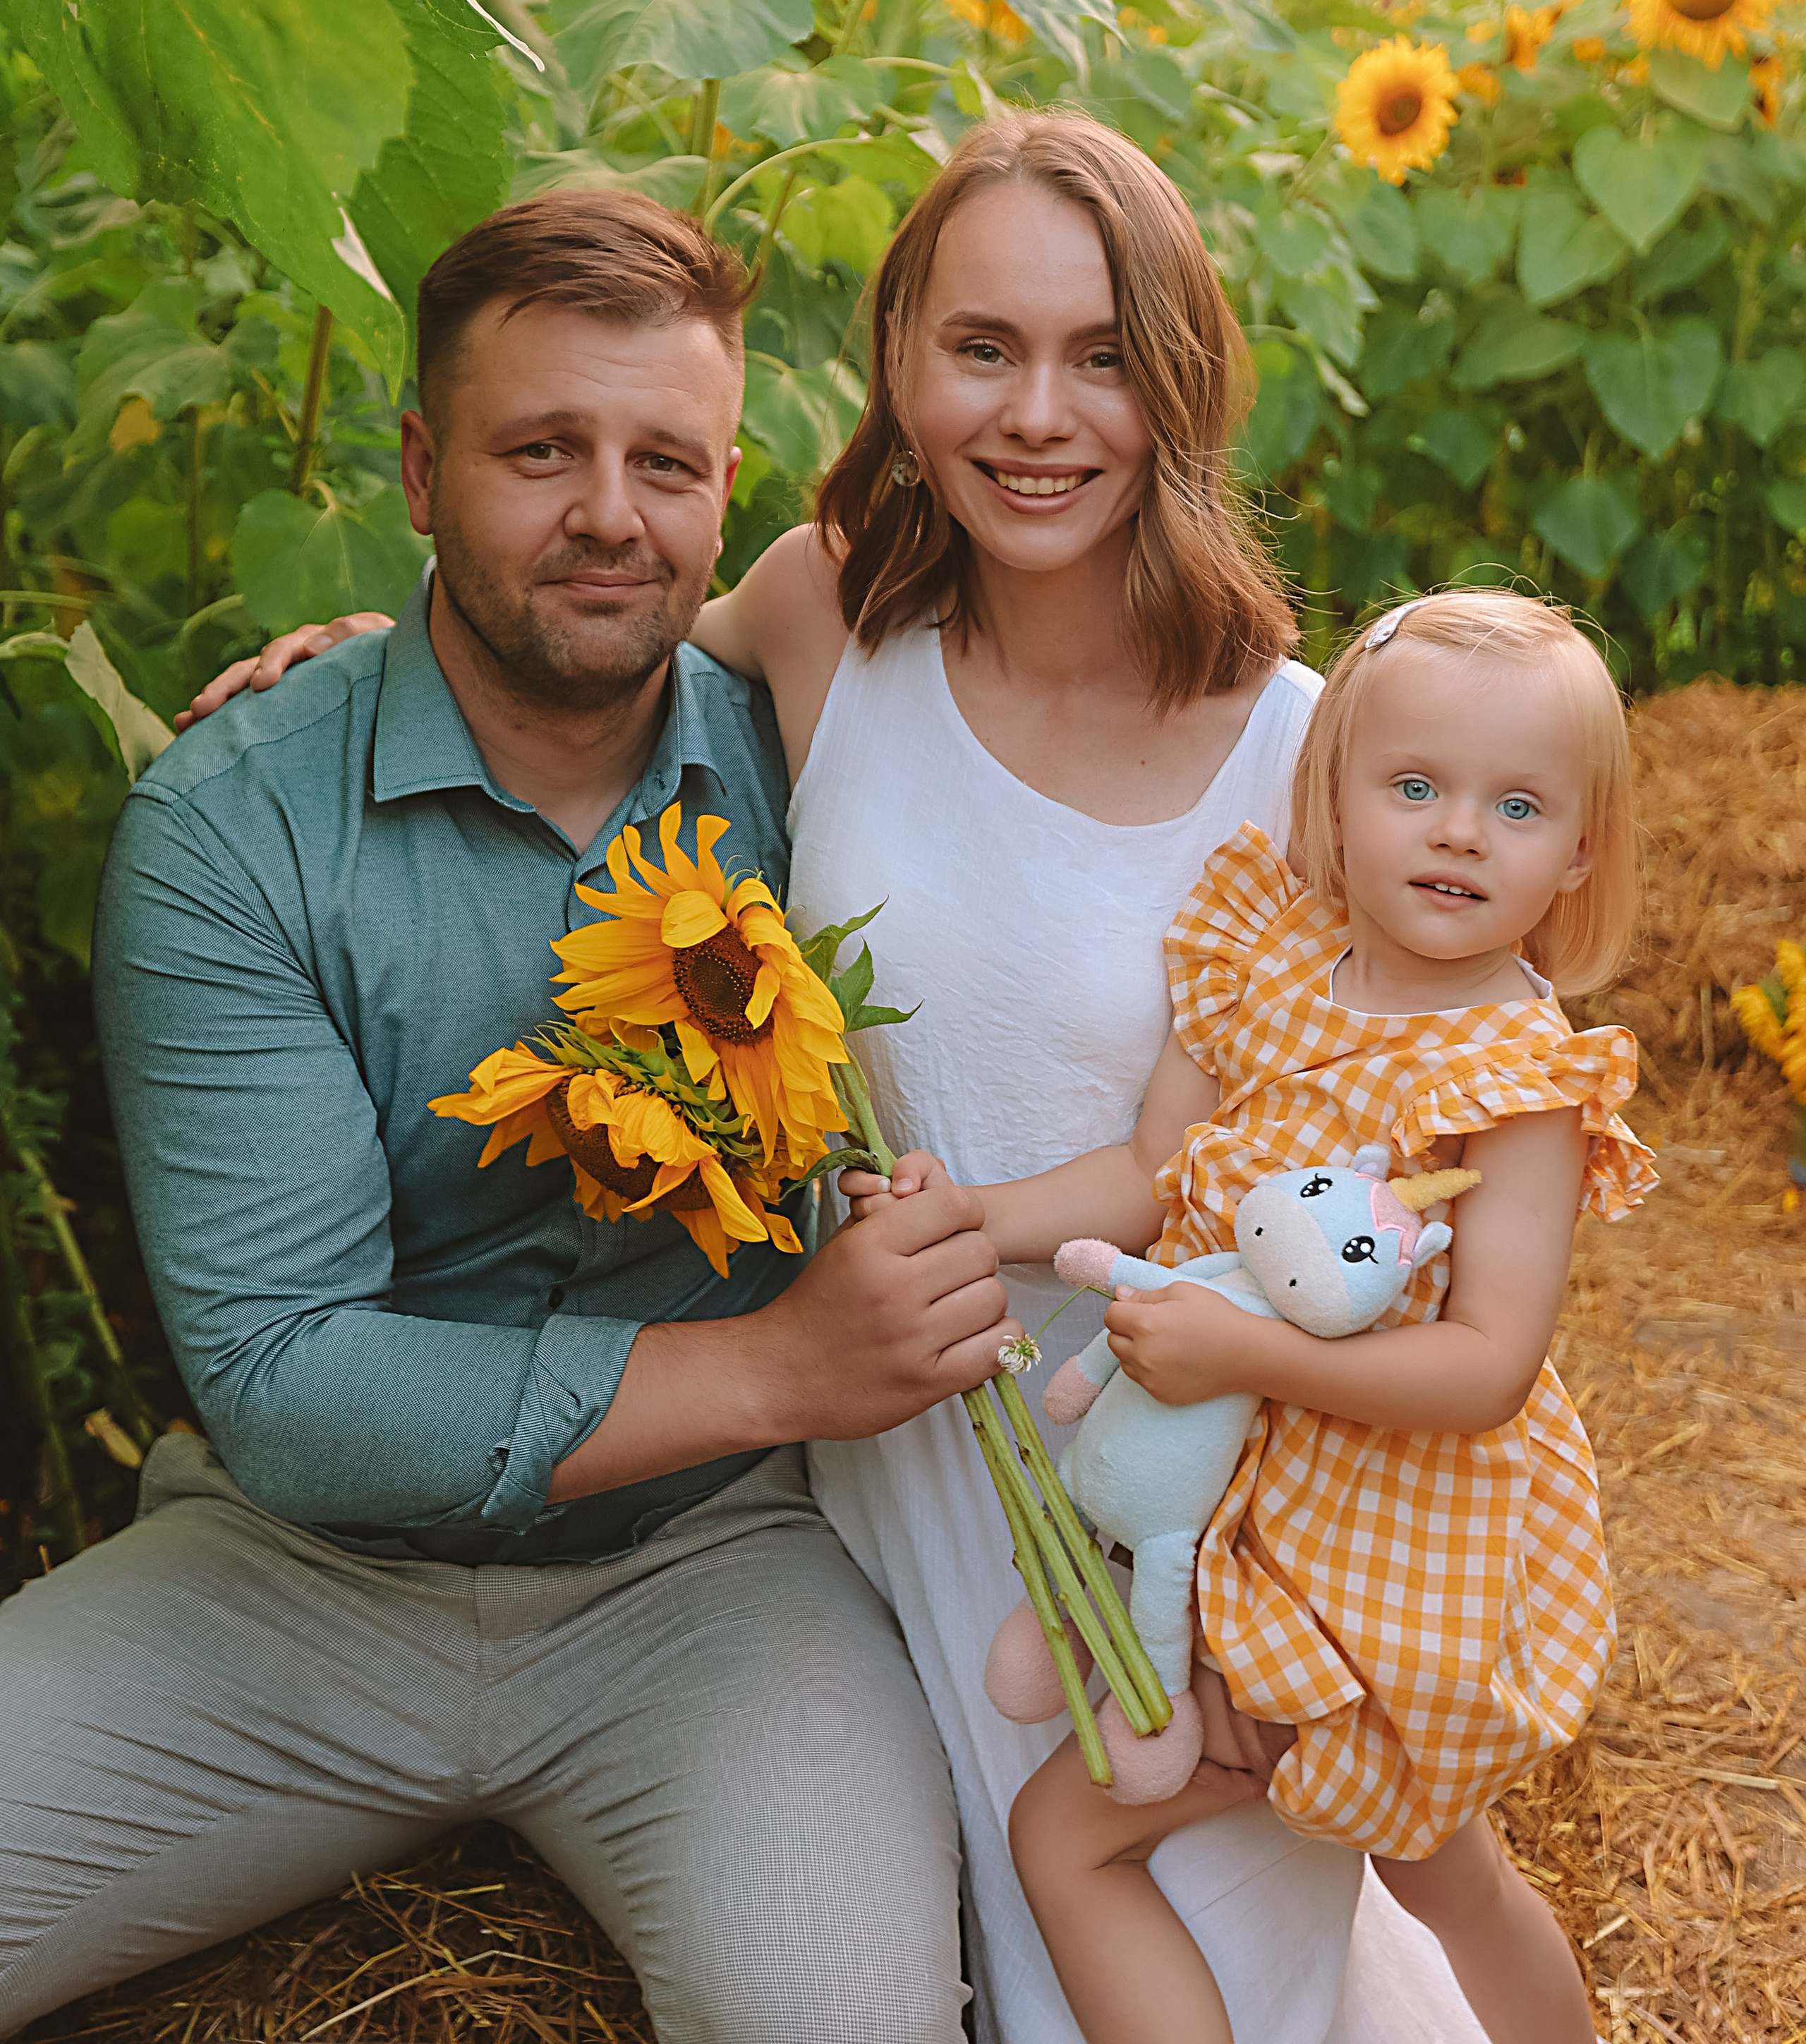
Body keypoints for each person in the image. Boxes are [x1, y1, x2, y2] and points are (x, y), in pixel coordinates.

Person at [181, 113, 1521, 2044]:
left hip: (1176, 1503)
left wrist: (1282, 1589)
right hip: (876, 1485)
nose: (1039, 415)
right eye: (983, 348)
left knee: (1229, 1989)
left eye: (1102, 355)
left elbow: (1388, 1207)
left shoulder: (1303, 752)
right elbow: (586, 673)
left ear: (1182, 379)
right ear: (899, 363)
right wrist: (358, 662)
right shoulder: (830, 613)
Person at [0, 193, 1028, 2044]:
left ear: (728, 492)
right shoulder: (237, 833)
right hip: (290, 1590)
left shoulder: (824, 772)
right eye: (539, 451)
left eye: (665, 461)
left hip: (717, 1585)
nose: (609, 516)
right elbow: (297, 1389)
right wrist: (793, 1370)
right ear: (418, 470)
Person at [854, 590, 1652, 2044]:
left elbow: (1485, 1367)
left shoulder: (1518, 1078)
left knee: (1182, 1853)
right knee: (1403, 1874)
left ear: (1578, 848)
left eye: (1516, 805)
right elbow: (1148, 1181)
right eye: (1413, 786)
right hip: (1230, 1534)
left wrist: (1246, 1352)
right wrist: (975, 1214)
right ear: (1332, 799)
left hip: (1377, 1564)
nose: (1458, 832)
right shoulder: (1266, 967)